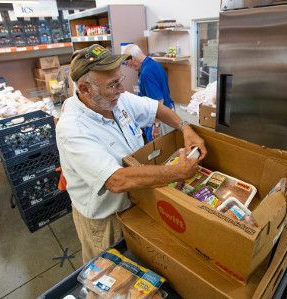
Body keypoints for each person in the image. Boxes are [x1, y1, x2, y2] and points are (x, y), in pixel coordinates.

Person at [56, 44, 207, 263]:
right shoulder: (73, 129)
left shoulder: (117, 99)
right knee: (110, 280)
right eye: (113, 84)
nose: (122, 89)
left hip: (136, 201)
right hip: (106, 219)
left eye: (120, 80)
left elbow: (156, 109)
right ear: (86, 89)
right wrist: (178, 172)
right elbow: (115, 181)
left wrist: (185, 127)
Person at [123, 44, 175, 142]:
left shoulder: (146, 73)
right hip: (167, 113)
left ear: (133, 59)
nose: (129, 67)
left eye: (127, 63)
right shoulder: (154, 64)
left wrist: (156, 126)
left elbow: (159, 101)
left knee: (158, 150)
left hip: (159, 118)